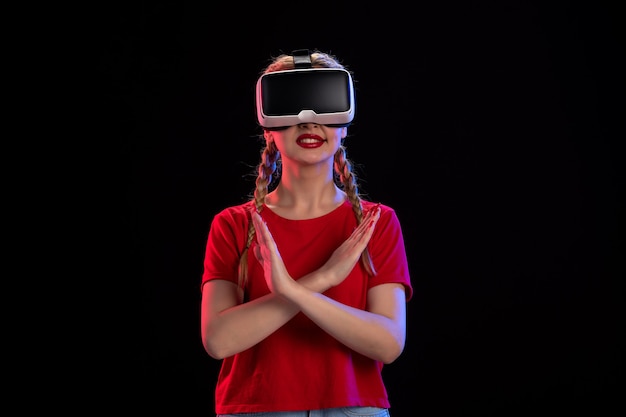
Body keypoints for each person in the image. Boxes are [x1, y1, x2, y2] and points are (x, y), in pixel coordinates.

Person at [200, 49, 413, 417]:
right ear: (269, 126)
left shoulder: (376, 223)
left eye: (323, 108)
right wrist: (324, 278)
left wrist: (293, 289)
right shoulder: (233, 224)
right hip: (255, 409)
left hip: (354, 409)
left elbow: (389, 343)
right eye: (292, 107)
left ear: (344, 123)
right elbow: (218, 340)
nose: (309, 122)